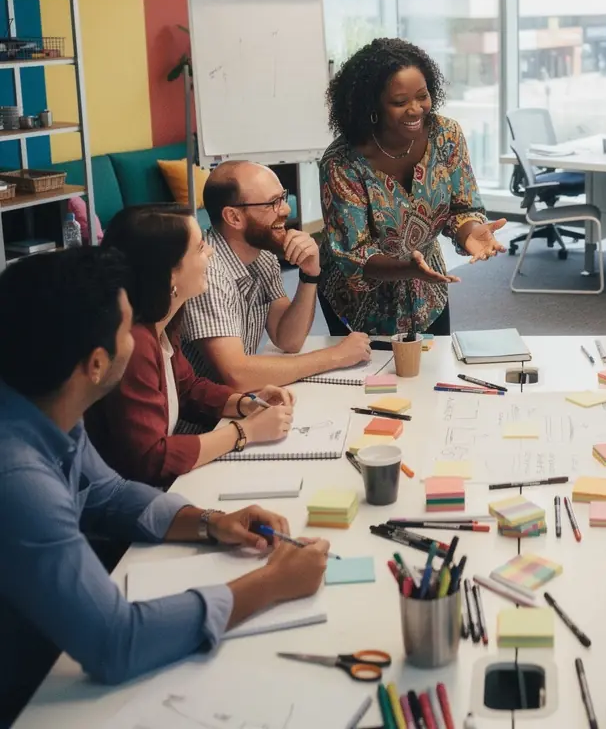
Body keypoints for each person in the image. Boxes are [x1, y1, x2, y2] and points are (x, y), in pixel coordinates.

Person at [0, 249, 329, 727]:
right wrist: (271, 584)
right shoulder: (20, 480)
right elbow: (114, 641)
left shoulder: (45, 405)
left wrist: (212, 523)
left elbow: (107, 494)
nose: (135, 342)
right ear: (96, 364)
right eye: (126, 328)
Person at [86, 206, 294, 487]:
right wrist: (244, 432)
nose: (209, 253)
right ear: (170, 274)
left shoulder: (161, 321)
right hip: (132, 503)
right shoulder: (133, 344)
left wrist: (247, 403)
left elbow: (188, 388)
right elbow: (151, 459)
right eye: (199, 248)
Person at [318, 38, 507, 336]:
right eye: (399, 102)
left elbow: (463, 207)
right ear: (372, 105)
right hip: (357, 301)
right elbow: (354, 255)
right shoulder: (342, 162)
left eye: (422, 96)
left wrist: (471, 232)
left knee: (433, 373)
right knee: (372, 379)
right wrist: (408, 268)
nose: (415, 109)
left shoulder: (446, 136)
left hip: (428, 287)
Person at [181, 161, 371, 387]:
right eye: (273, 202)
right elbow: (237, 375)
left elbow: (288, 339)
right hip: (206, 420)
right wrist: (336, 356)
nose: (286, 209)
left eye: (283, 197)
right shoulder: (208, 272)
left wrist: (310, 273)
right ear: (234, 217)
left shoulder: (262, 257)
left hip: (238, 406)